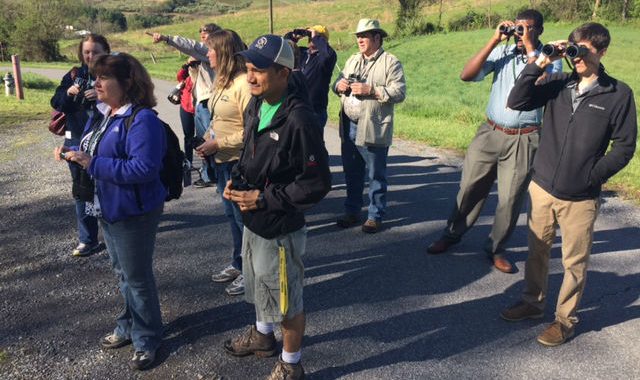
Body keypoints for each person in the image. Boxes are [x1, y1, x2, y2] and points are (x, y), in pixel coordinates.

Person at [501, 22, 637, 346]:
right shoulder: (560, 83)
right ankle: (532, 303)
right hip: (543, 186)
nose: (576, 55)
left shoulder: (618, 94)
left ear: (602, 51)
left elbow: (625, 147)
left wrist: (592, 176)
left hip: (580, 197)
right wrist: (542, 61)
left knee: (573, 262)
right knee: (537, 251)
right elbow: (517, 100)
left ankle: (564, 320)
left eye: (584, 49)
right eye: (573, 47)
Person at [223, 34, 331, 380]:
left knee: (286, 301)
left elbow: (317, 183)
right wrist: (237, 180)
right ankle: (263, 336)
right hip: (254, 220)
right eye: (248, 69)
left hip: (280, 226)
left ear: (284, 72)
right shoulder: (257, 103)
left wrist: (264, 199)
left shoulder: (300, 119)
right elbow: (250, 151)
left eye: (259, 70)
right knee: (257, 285)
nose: (250, 77)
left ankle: (291, 363)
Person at [426, 10, 562, 274]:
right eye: (519, 28)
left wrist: (533, 47)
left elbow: (543, 81)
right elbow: (466, 75)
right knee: (469, 188)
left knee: (510, 199)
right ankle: (451, 234)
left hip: (525, 137)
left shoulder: (551, 58)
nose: (521, 33)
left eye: (529, 28)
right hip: (490, 132)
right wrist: (494, 41)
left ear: (540, 31)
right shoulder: (504, 53)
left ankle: (496, 248)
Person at [55, 53, 167, 370]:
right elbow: (92, 148)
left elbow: (144, 168)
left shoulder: (142, 119)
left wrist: (93, 163)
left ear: (127, 83)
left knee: (137, 278)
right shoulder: (104, 114)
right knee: (123, 274)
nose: (96, 83)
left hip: (134, 210)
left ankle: (147, 339)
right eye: (96, 77)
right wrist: (73, 154)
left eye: (104, 78)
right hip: (108, 207)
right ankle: (129, 325)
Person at [332, 18, 406, 234]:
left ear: (377, 37)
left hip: (373, 126)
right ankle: (352, 211)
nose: (360, 40)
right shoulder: (353, 59)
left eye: (364, 36)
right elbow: (337, 82)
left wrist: (372, 90)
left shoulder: (391, 62)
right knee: (352, 172)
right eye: (358, 36)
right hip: (349, 125)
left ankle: (375, 215)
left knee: (376, 174)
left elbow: (399, 93)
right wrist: (339, 85)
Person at [195, 29, 250, 296]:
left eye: (210, 49)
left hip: (238, 162)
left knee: (244, 220)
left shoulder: (243, 84)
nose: (207, 54)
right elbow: (218, 121)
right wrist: (208, 139)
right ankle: (238, 263)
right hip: (221, 161)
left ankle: (251, 272)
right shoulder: (221, 82)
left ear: (224, 52)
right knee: (231, 217)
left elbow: (252, 130)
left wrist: (218, 144)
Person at [50, 33, 110, 257]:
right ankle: (88, 240)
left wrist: (102, 95)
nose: (91, 55)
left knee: (108, 184)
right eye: (87, 52)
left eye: (96, 51)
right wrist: (68, 92)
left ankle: (118, 228)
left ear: (106, 52)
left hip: (106, 139)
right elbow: (56, 102)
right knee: (81, 188)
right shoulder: (75, 74)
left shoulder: (115, 72)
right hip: (75, 138)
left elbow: (133, 98)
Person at [151, 23, 221, 187]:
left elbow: (190, 45)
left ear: (216, 36)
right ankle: (210, 175)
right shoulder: (203, 55)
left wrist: (166, 38)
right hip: (199, 103)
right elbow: (184, 77)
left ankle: (217, 176)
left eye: (207, 33)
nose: (202, 36)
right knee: (202, 143)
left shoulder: (211, 52)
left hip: (208, 102)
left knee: (211, 142)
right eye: (201, 33)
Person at [285, 25, 337, 129]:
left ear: (323, 40)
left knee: (312, 144)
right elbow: (285, 47)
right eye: (310, 36)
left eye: (315, 37)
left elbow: (328, 55)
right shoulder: (302, 52)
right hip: (295, 108)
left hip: (315, 111)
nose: (310, 38)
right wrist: (294, 36)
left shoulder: (324, 59)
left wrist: (316, 37)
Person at [176, 58, 197, 167]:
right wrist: (186, 66)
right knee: (188, 136)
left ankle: (207, 167)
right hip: (185, 107)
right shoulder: (187, 75)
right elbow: (179, 77)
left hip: (199, 109)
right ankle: (189, 162)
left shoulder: (204, 73)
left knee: (201, 138)